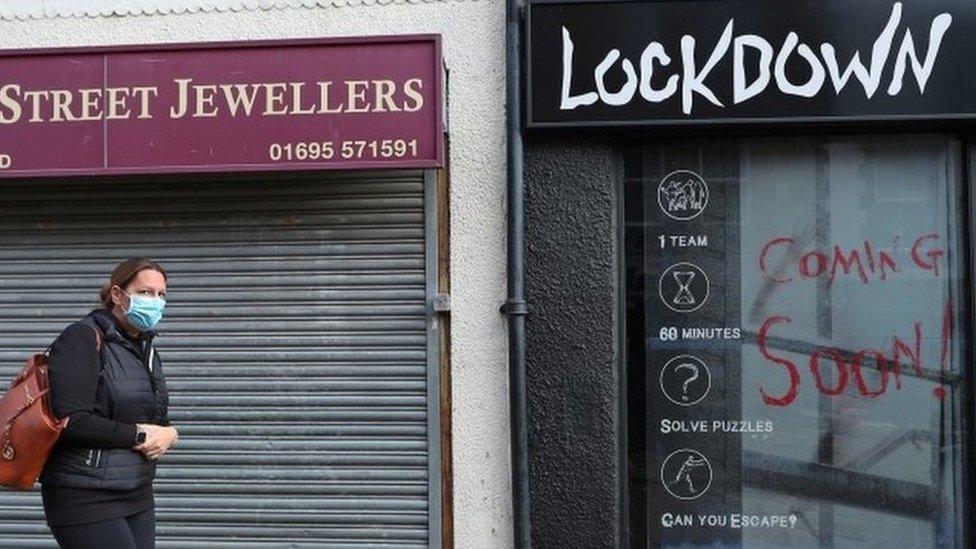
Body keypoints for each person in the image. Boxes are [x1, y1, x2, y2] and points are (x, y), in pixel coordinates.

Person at [39, 258, 179, 549]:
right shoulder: (82, 338)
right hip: (84, 494)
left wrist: (170, 433)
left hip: (136, 491)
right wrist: (140, 435)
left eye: (161, 295)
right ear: (117, 295)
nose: (155, 301)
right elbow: (72, 420)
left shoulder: (145, 350)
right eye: (145, 292)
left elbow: (153, 418)